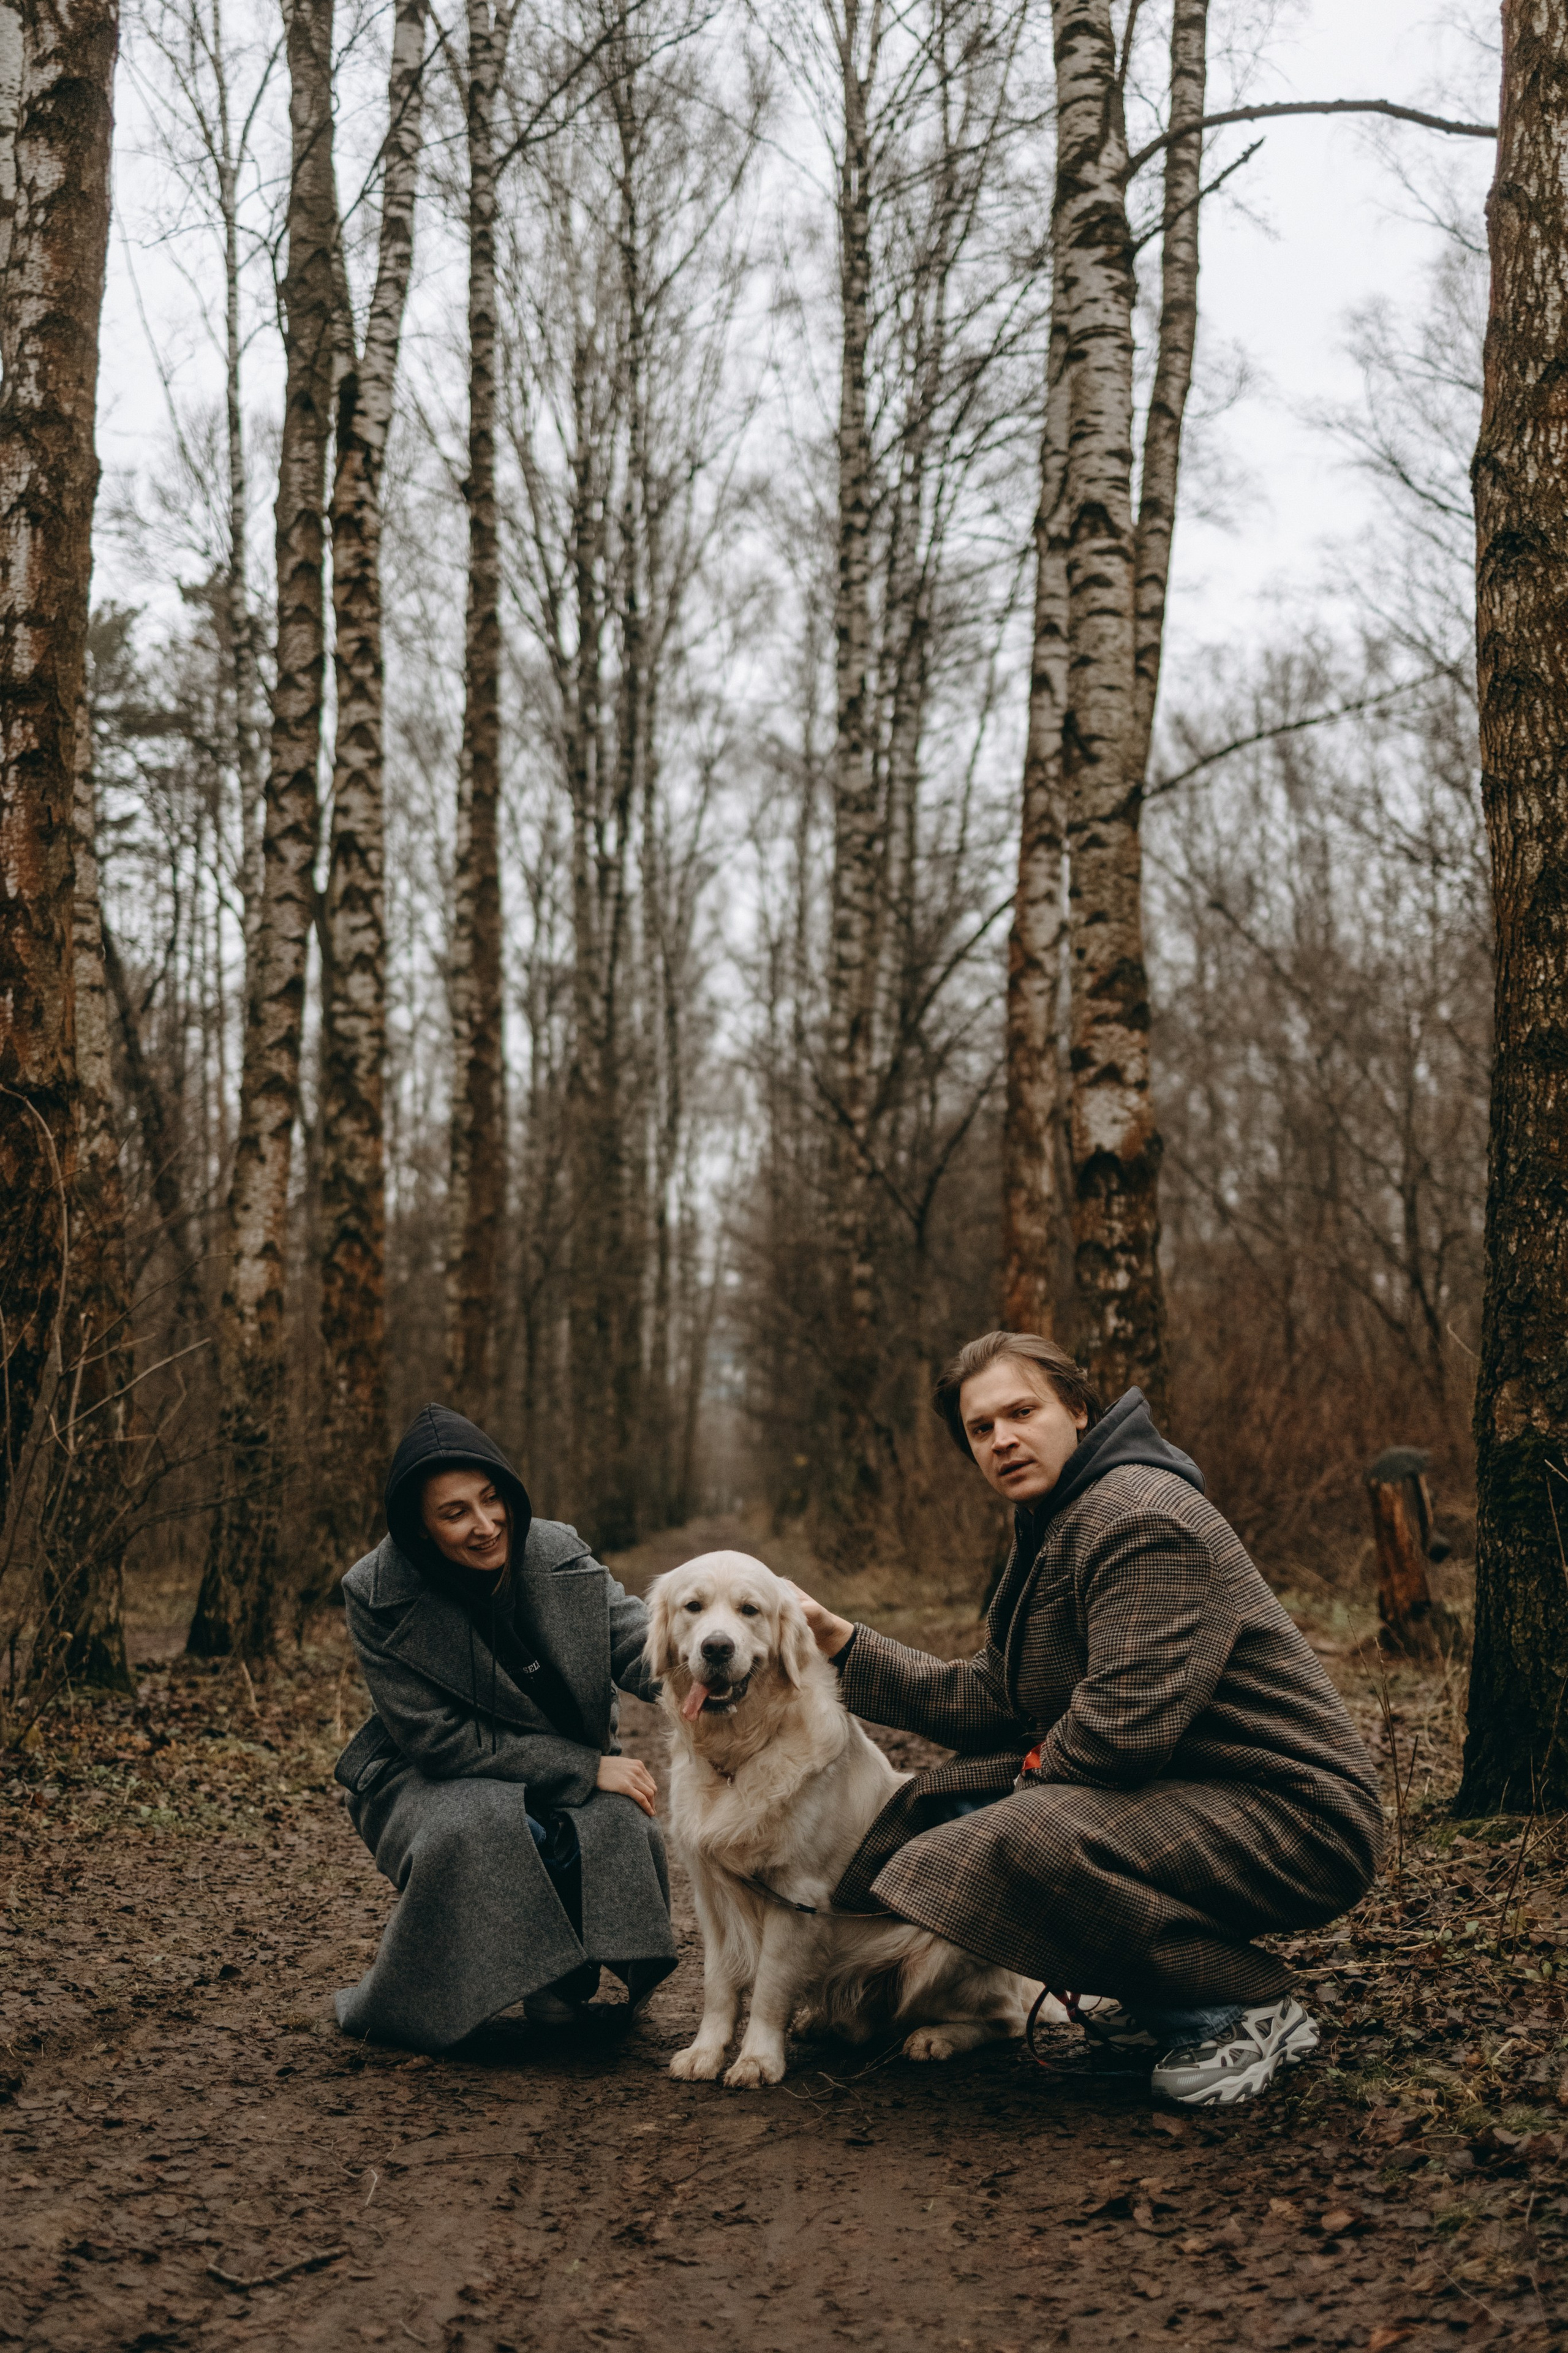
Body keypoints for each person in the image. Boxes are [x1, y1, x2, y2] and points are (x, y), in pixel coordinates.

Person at [787, 1333, 1384, 2107]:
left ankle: (1236, 2010)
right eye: (980, 1428)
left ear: (1076, 1408)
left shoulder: (1141, 1516)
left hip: (1295, 1817)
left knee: (1017, 1836)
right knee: (955, 1808)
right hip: (1197, 1795)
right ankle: (1160, 1994)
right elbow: (994, 1697)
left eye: (1021, 1412)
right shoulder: (1056, 1520)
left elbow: (1119, 1734)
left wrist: (1010, 1803)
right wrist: (843, 1644)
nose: (1002, 1440)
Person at [332, 1403, 676, 2053]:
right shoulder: (375, 1591)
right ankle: (503, 1984)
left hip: (551, 1750)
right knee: (490, 1828)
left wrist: (710, 1669)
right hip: (423, 1774)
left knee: (615, 1820)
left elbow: (637, 1641)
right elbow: (435, 1739)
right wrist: (583, 1768)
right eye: (455, 1512)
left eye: (492, 1499)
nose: (486, 1525)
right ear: (420, 1525)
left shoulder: (556, 1549)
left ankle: (564, 1982)